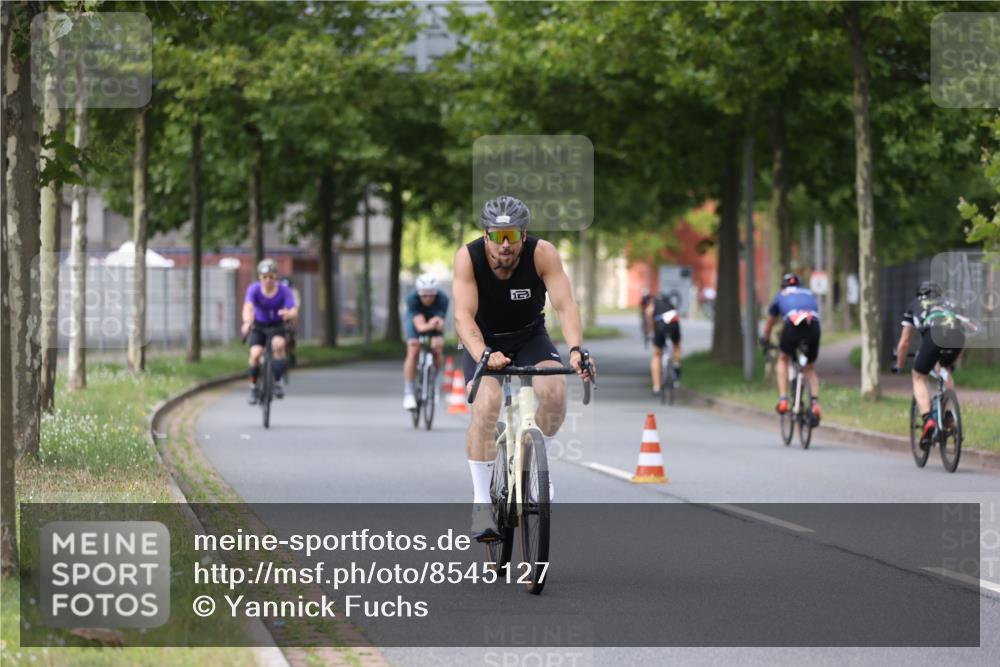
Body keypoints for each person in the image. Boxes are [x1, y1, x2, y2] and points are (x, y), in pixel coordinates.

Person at [453, 195, 595, 541]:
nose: (505, 245)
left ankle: (533, 471)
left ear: (524, 234)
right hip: (483, 339)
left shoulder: (542, 253)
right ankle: (481, 502)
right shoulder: (468, 258)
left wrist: (576, 349)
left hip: (529, 335)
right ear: (485, 235)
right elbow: (462, 316)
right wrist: (485, 353)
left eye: (512, 236)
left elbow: (565, 304)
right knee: (486, 407)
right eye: (497, 236)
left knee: (556, 393)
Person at [893, 281, 966, 449]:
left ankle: (928, 421)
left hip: (934, 336)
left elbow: (904, 343)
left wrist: (899, 365)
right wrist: (951, 362)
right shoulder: (948, 303)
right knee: (945, 371)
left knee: (918, 377)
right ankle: (948, 417)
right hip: (957, 337)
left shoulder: (914, 304)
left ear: (919, 294)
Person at [761, 273, 822, 424]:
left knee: (782, 359)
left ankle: (783, 400)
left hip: (793, 326)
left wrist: (766, 340)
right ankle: (815, 404)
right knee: (809, 369)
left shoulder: (781, 295)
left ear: (784, 286)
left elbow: (769, 323)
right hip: (813, 326)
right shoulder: (809, 293)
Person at [241, 259, 298, 404]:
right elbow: (248, 307)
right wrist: (247, 322)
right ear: (260, 277)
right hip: (259, 325)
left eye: (271, 277)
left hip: (277, 325)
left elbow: (293, 309)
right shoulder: (254, 289)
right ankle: (253, 386)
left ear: (276, 277)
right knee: (255, 354)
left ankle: (277, 382)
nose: (268, 280)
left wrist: (289, 314)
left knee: (278, 346)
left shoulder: (284, 291)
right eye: (264, 277)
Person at [403, 273, 450, 409]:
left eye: (431, 295)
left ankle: (433, 380)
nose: (428, 298)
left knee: (438, 347)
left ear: (436, 293)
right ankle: (409, 392)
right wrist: (431, 325)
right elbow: (420, 326)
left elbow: (440, 322)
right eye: (424, 295)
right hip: (416, 320)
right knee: (413, 349)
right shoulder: (412, 299)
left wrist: (437, 332)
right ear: (418, 293)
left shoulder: (443, 299)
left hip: (433, 319)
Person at [646, 290, 682, 396]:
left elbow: (648, 313)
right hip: (673, 324)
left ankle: (656, 387)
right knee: (677, 345)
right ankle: (676, 364)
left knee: (657, 354)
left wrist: (650, 330)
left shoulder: (654, 303)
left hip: (660, 325)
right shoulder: (671, 304)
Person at [279, 276, 301, 367]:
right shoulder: (277, 291)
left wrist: (290, 313)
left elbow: (296, 305)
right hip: (279, 316)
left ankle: (291, 353)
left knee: (291, 334)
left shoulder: (294, 293)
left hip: (289, 316)